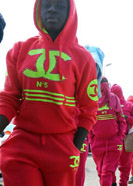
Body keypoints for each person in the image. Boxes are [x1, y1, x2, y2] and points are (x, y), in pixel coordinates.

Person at [0, 1, 99, 185]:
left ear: (70, 12)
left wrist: (74, 148)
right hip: (22, 144)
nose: (52, 9)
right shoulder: (20, 50)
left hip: (62, 147)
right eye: (46, 5)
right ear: (38, 9)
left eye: (59, 5)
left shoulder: (83, 58)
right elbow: (9, 97)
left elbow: (89, 109)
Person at [76, 45, 104, 186]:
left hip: (79, 141)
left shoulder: (94, 94)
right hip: (56, 136)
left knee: (76, 176)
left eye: (95, 68)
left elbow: (89, 116)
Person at [89, 78, 126, 186]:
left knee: (106, 172)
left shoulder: (114, 99)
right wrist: (92, 140)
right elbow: (89, 121)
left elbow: (122, 121)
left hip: (113, 142)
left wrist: (120, 138)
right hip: (97, 143)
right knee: (101, 173)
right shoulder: (93, 99)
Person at [111, 85, 133, 186]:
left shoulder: (129, 105)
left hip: (126, 139)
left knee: (125, 164)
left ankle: (122, 183)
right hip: (112, 139)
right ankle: (113, 182)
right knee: (111, 164)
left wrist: (128, 118)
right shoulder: (109, 104)